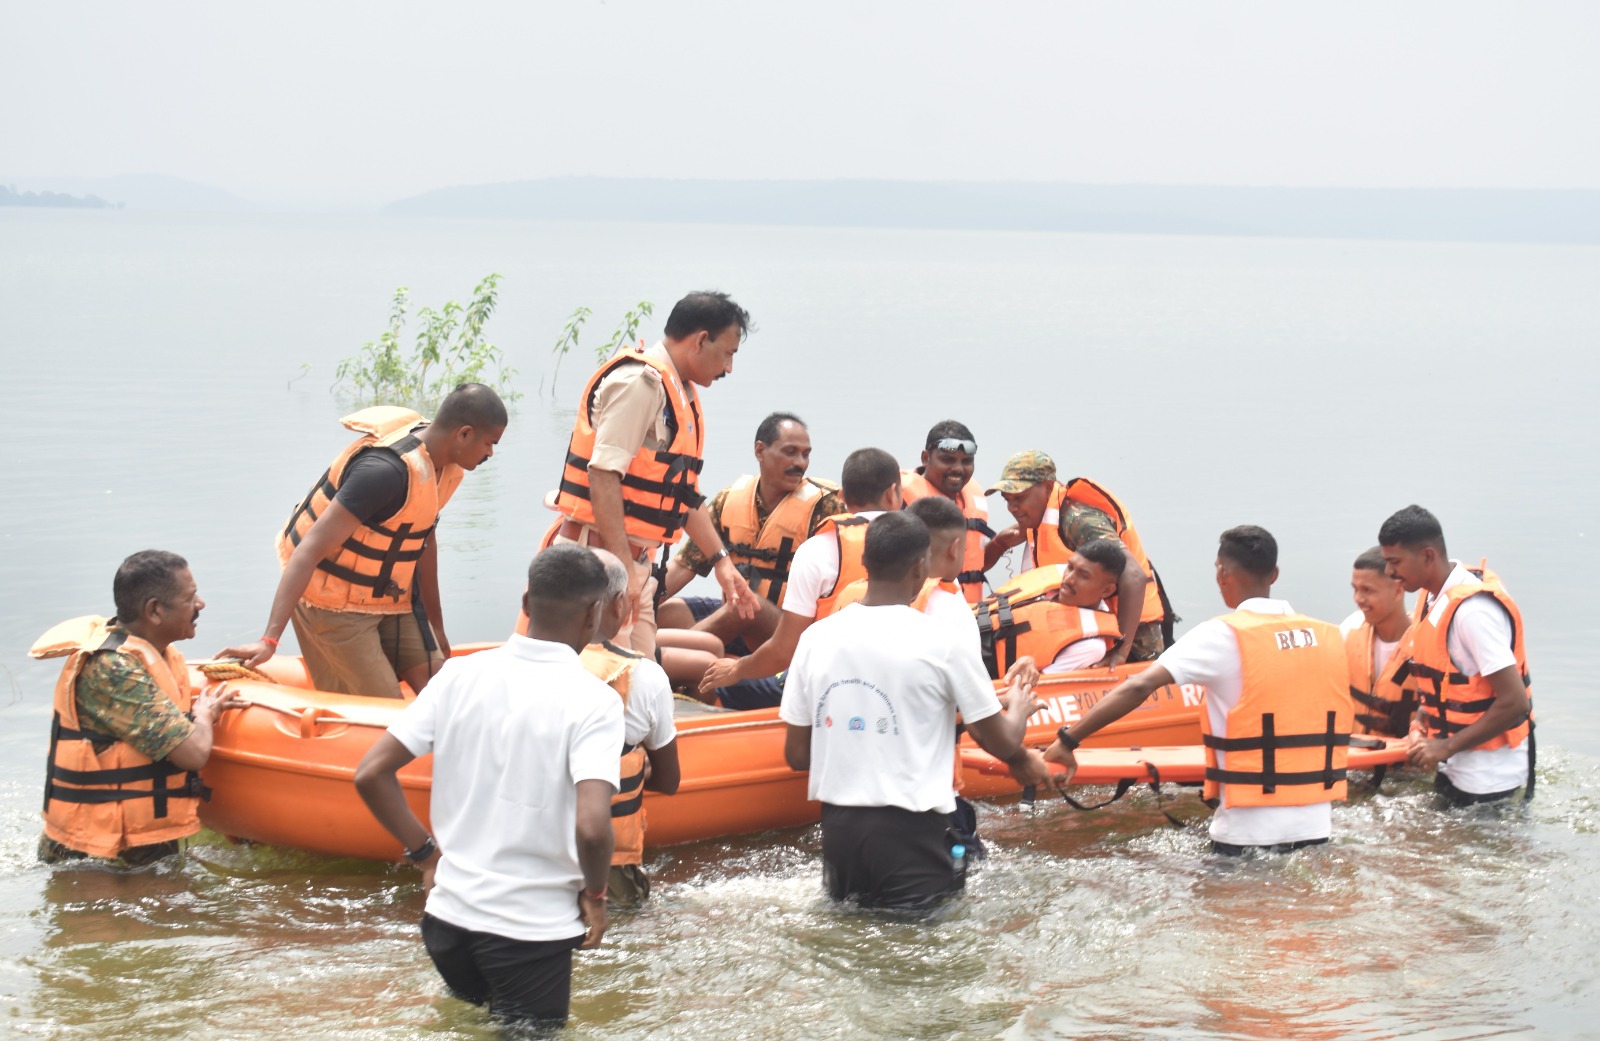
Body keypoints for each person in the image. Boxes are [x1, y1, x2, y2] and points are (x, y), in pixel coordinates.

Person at [353, 546, 623, 1030]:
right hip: (527, 931)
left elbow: (371, 773)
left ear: (525, 601)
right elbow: (593, 826)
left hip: (447, 924)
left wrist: (425, 854)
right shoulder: (594, 701)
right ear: (594, 613)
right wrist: (597, 896)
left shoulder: (459, 674)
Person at [779, 512, 1050, 909]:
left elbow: (797, 755)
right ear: (922, 565)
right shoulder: (943, 641)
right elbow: (1000, 740)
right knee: (919, 957)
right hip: (912, 833)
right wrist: (1021, 711)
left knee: (848, 951)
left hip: (839, 835)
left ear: (865, 564)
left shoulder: (815, 638)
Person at [1043, 526, 1353, 855]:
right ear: (1274, 575)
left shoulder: (1222, 635)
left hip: (1245, 838)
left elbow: (1138, 687)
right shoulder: (1327, 636)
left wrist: (1067, 741)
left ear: (1221, 573)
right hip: (1318, 832)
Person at [220, 383, 507, 698]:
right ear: (464, 434)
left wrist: (436, 627)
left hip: (391, 597)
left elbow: (423, 540)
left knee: (441, 689)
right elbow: (307, 552)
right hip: (334, 603)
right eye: (490, 444)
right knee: (388, 711)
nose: (491, 453)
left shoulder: (443, 463)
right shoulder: (383, 474)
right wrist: (269, 640)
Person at [549, 291, 760, 657]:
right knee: (602, 681)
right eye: (728, 353)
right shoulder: (639, 384)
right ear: (700, 340)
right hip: (597, 561)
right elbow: (602, 474)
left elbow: (683, 495)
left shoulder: (680, 393)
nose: (729, 368)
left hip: (634, 565)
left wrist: (722, 563)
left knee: (641, 681)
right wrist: (621, 571)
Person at [33, 550, 240, 866]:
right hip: (96, 857)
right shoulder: (113, 670)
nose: (200, 604)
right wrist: (205, 713)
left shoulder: (153, 654)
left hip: (139, 848)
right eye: (191, 597)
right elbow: (193, 753)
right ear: (155, 611)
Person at [696, 447, 902, 707]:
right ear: (893, 493)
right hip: (897, 682)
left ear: (842, 497)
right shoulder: (921, 546)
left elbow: (784, 651)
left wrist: (735, 670)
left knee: (710, 677)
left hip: (828, 683)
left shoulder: (818, 549)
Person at [1377, 505, 1534, 806]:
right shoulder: (1432, 597)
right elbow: (1447, 684)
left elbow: (1515, 702)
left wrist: (1446, 747)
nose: (1389, 572)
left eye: (1395, 562)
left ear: (1427, 556)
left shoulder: (1474, 612)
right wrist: (1419, 726)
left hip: (1490, 779)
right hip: (1456, 768)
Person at [658, 410, 845, 653]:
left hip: (787, 628)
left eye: (805, 455)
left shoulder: (825, 507)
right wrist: (639, 605)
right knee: (665, 613)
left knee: (747, 607)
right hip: (734, 611)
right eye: (790, 452)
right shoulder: (730, 498)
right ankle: (643, 645)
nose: (800, 463)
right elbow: (684, 567)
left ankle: (657, 658)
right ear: (760, 451)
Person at [985, 450, 1172, 666]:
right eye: (1007, 500)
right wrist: (998, 544)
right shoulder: (1036, 520)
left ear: (1047, 487)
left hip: (1134, 642)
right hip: (1084, 634)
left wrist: (1122, 650)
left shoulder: (1080, 521)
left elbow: (1134, 575)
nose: (1012, 508)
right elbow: (982, 560)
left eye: (1019, 498)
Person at [582, 550, 681, 905]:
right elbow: (669, 781)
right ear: (621, 607)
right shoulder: (645, 676)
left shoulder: (500, 670)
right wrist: (636, 767)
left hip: (524, 859)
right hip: (606, 868)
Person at [974, 540, 1126, 680]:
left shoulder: (1089, 646)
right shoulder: (1051, 580)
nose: (1068, 579)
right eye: (1070, 568)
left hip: (973, 674)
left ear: (1106, 591)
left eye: (1083, 576)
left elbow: (1039, 686)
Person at [897, 420, 996, 603]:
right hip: (920, 610)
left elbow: (970, 564)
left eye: (966, 461)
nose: (958, 469)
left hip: (965, 610)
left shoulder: (972, 498)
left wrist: (1001, 544)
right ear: (925, 458)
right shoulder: (900, 503)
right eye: (947, 460)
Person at [1340, 546, 1417, 738]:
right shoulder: (1350, 629)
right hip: (1356, 762)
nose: (1358, 599)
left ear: (1398, 591)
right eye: (1355, 589)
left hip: (1407, 763)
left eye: (1367, 590)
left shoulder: (1427, 644)